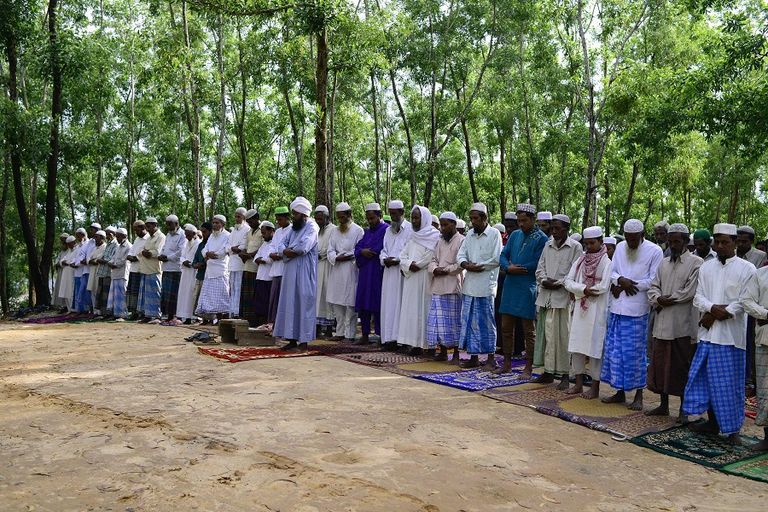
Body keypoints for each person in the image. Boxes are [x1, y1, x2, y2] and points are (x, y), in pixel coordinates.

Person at [684, 223, 754, 445]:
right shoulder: (706, 267)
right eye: (718, 242)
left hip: (731, 339)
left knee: (729, 386)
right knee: (706, 381)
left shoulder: (746, 269)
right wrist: (714, 309)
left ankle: (733, 431)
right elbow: (698, 297)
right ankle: (713, 424)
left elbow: (744, 302)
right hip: (707, 336)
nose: (720, 246)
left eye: (725, 242)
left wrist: (716, 313)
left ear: (734, 242)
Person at [601, 219, 663, 410]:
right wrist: (620, 280)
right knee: (615, 352)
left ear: (642, 235)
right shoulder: (620, 247)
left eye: (634, 239)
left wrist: (630, 283)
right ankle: (619, 392)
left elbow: (654, 279)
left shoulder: (655, 251)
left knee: (635, 354)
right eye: (628, 238)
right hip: (617, 306)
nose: (630, 242)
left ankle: (638, 395)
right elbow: (611, 271)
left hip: (637, 310)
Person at [645, 223, 702, 420]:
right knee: (660, 366)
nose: (673, 245)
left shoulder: (696, 263)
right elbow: (653, 287)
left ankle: (683, 411)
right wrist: (657, 298)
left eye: (677, 241)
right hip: (662, 324)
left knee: (681, 367)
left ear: (686, 241)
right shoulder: (664, 263)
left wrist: (667, 299)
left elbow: (690, 291)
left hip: (682, 325)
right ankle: (663, 405)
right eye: (671, 241)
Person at [532, 214, 583, 388]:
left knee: (563, 338)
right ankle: (547, 372)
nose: (554, 231)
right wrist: (545, 280)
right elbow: (540, 269)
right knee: (546, 337)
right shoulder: (547, 245)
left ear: (567, 229)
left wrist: (559, 283)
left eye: (558, 228)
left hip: (563, 299)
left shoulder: (576, 247)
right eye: (552, 228)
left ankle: (565, 376)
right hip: (546, 297)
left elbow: (576, 272)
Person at [498, 203, 548, 376]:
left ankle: (529, 366)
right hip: (510, 285)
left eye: (524, 220)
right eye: (519, 221)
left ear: (533, 219)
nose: (521, 224)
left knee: (528, 330)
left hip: (527, 286)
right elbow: (503, 255)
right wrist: (507, 267)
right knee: (506, 327)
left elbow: (538, 262)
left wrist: (519, 269)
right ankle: (506, 363)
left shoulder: (542, 238)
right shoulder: (514, 235)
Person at [564, 226, 613, 398]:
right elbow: (567, 281)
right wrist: (584, 289)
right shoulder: (580, 261)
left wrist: (588, 291)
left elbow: (604, 286)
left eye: (592, 243)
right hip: (580, 308)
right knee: (577, 345)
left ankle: (595, 387)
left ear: (601, 241)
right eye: (587, 243)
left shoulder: (607, 262)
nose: (589, 246)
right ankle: (578, 383)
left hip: (597, 309)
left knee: (595, 348)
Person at [458, 202, 503, 369]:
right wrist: (465, 265)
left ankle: (491, 358)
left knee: (487, 323)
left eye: (475, 218)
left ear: (485, 218)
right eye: (471, 219)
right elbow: (461, 254)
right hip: (470, 285)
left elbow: (497, 258)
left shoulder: (494, 234)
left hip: (486, 286)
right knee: (470, 322)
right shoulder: (469, 234)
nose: (472, 222)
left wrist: (480, 266)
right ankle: (474, 358)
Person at [274, 197, 319, 351]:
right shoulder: (293, 229)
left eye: (295, 214)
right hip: (290, 271)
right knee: (289, 304)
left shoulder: (312, 227)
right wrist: (286, 250)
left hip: (305, 272)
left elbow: (303, 247)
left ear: (303, 214)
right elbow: (281, 244)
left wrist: (287, 250)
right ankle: (291, 339)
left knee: (303, 303)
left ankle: (304, 341)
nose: (293, 217)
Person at [397, 205, 441, 355]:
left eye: (417, 218)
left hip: (425, 278)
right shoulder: (412, 236)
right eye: (413, 218)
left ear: (425, 218)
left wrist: (418, 265)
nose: (414, 221)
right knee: (411, 311)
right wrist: (409, 264)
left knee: (425, 310)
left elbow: (431, 256)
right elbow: (402, 255)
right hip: (411, 278)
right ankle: (414, 344)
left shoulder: (435, 236)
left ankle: (428, 346)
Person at [426, 212, 465, 361]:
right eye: (441, 225)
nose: (442, 228)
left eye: (445, 225)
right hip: (437, 285)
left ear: (454, 224)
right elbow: (433, 259)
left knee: (453, 322)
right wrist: (435, 269)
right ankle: (442, 352)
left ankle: (455, 353)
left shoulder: (461, 240)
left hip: (452, 286)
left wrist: (446, 270)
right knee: (437, 322)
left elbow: (461, 263)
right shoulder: (440, 241)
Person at [327, 203, 364, 342]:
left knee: (350, 304)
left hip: (351, 269)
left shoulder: (358, 230)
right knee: (337, 304)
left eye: (342, 217)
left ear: (349, 215)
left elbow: (358, 249)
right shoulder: (334, 231)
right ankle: (340, 333)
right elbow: (330, 249)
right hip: (336, 269)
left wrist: (347, 256)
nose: (340, 220)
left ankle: (350, 334)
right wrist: (336, 257)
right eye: (338, 218)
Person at [743, 247, 768, 452]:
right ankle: (767, 438)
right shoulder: (760, 274)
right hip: (765, 337)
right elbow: (747, 301)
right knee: (764, 389)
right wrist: (766, 313)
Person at [380, 200, 412, 351]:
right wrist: (384, 259)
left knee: (400, 305)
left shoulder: (410, 229)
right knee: (388, 305)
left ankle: (402, 340)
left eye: (395, 213)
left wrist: (397, 260)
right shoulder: (388, 230)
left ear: (402, 212)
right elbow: (384, 249)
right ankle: (389, 340)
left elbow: (409, 250)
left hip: (401, 272)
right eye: (390, 213)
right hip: (388, 272)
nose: (392, 217)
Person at [354, 203, 388, 344]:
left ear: (379, 216)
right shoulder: (367, 231)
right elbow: (358, 247)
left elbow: (378, 248)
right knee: (364, 304)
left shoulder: (386, 229)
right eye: (368, 219)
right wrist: (362, 251)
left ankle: (381, 335)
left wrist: (368, 251)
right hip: (365, 272)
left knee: (377, 303)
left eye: (372, 218)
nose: (370, 221)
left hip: (377, 272)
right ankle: (365, 334)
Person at [195, 215, 230, 323]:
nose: (214, 225)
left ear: (223, 224)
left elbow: (223, 251)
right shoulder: (211, 236)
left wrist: (211, 254)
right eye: (213, 223)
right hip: (210, 270)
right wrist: (207, 253)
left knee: (221, 297)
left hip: (220, 270)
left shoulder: (227, 236)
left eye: (217, 223)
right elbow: (204, 250)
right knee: (210, 298)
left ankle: (222, 321)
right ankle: (212, 320)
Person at [137, 217, 166, 324]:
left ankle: (156, 315)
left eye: (148, 226)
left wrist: (149, 253)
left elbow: (159, 251)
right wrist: (145, 252)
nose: (147, 228)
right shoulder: (149, 238)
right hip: (145, 269)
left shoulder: (161, 237)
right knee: (146, 294)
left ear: (155, 225)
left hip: (154, 269)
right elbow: (141, 250)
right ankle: (148, 315)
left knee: (155, 293)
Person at [239, 209, 263, 327]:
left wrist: (251, 255)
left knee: (255, 296)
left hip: (257, 269)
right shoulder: (249, 232)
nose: (250, 223)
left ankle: (255, 322)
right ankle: (246, 320)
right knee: (246, 298)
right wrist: (243, 253)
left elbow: (264, 247)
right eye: (248, 221)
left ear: (257, 218)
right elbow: (245, 246)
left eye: (251, 221)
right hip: (247, 267)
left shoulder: (263, 229)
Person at [314, 206, 336, 336]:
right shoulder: (318, 231)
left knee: (328, 296)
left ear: (327, 217)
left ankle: (329, 329)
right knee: (318, 297)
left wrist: (321, 254)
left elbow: (331, 248)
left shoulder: (333, 230)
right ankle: (317, 327)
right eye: (316, 219)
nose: (318, 221)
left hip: (329, 266)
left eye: (321, 218)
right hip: (318, 266)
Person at [158, 215, 185, 321]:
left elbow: (181, 251)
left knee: (174, 294)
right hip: (166, 268)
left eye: (170, 224)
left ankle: (174, 316)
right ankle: (168, 316)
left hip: (176, 269)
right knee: (166, 294)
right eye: (167, 224)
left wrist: (168, 257)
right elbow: (164, 247)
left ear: (177, 224)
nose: (168, 226)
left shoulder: (182, 235)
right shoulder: (168, 235)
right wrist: (161, 255)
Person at [268, 207, 291, 324]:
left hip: (286, 268)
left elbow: (291, 249)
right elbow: (272, 246)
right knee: (274, 298)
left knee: (284, 299)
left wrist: (281, 255)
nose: (278, 222)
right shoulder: (277, 232)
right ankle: (274, 323)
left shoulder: (292, 230)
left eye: (280, 219)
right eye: (277, 220)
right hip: (276, 268)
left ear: (287, 218)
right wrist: (271, 254)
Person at [252, 221, 276, 327]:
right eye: (262, 233)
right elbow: (256, 258)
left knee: (267, 303)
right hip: (260, 276)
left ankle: (268, 323)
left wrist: (263, 260)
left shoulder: (275, 243)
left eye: (264, 232)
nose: (263, 235)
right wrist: (260, 259)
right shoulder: (264, 244)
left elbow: (271, 259)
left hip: (269, 277)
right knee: (259, 303)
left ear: (271, 231)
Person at [176, 224, 201, 324]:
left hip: (194, 272)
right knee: (184, 294)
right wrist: (184, 261)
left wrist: (190, 263)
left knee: (192, 294)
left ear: (194, 234)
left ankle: (192, 317)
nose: (187, 237)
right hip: (185, 272)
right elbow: (182, 256)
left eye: (188, 235)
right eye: (186, 235)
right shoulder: (186, 244)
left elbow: (198, 258)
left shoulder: (198, 244)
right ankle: (185, 316)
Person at [228, 207, 250, 318]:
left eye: (239, 216)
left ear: (244, 217)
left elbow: (243, 246)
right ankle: (232, 311)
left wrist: (234, 249)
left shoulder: (247, 229)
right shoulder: (233, 231)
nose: (236, 219)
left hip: (241, 263)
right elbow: (228, 246)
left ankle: (237, 312)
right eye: (235, 216)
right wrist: (233, 248)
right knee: (232, 288)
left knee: (239, 287)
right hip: (232, 263)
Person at [107, 228, 132, 320]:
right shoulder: (118, 246)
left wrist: (114, 264)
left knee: (122, 294)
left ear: (124, 236)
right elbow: (114, 257)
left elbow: (124, 260)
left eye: (118, 236)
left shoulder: (129, 246)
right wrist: (110, 262)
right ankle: (116, 314)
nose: (117, 238)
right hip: (115, 274)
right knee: (115, 295)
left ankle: (123, 314)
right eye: (116, 236)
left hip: (123, 273)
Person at [95, 227, 118, 317]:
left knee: (107, 294)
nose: (108, 236)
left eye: (109, 234)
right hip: (102, 272)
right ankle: (102, 312)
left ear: (114, 234)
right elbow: (104, 256)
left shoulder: (115, 244)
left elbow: (111, 259)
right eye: (107, 234)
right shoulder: (108, 244)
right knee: (101, 293)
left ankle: (107, 313)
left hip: (109, 272)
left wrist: (101, 260)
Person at [191, 223, 211, 323]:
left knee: (208, 298)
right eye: (202, 231)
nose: (203, 234)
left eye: (205, 232)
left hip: (209, 275)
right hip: (199, 275)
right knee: (198, 297)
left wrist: (203, 264)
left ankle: (211, 320)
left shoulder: (211, 244)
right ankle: (203, 319)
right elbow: (194, 260)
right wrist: (195, 265)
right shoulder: (201, 245)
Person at [86, 230, 107, 315]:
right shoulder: (94, 248)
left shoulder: (105, 247)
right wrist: (91, 260)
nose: (95, 239)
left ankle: (100, 311)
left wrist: (93, 260)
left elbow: (99, 258)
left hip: (100, 271)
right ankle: (95, 311)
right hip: (92, 271)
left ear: (102, 238)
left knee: (99, 290)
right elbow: (89, 258)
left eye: (97, 237)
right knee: (92, 290)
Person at [58, 236, 77, 312]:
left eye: (69, 244)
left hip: (72, 272)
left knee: (71, 290)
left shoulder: (77, 250)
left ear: (73, 243)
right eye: (68, 244)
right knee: (65, 290)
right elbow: (63, 259)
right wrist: (62, 262)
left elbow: (75, 261)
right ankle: (69, 309)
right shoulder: (69, 251)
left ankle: (73, 309)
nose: (68, 246)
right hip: (66, 272)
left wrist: (67, 262)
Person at [53, 233, 70, 311]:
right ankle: (63, 306)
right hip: (61, 272)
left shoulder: (70, 250)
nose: (62, 241)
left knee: (67, 288)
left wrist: (60, 263)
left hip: (67, 272)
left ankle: (68, 306)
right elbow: (57, 260)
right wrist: (58, 263)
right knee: (61, 288)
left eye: (64, 239)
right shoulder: (62, 251)